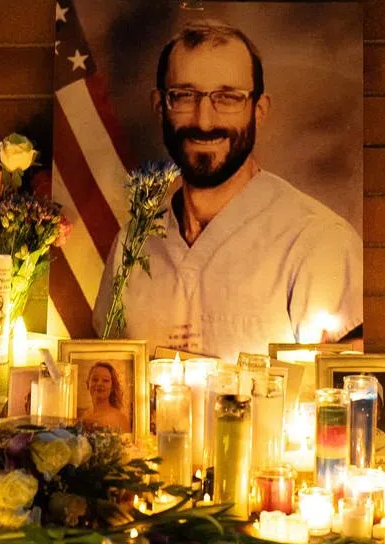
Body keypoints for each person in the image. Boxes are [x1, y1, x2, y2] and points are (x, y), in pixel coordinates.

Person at [92, 21, 362, 360]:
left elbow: (350, 395)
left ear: (259, 110)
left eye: (228, 98)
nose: (204, 121)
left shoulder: (318, 243)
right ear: (160, 106)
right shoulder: (132, 244)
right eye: (185, 96)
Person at [79, 361, 128, 432]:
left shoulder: (120, 420)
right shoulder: (85, 415)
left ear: (112, 387)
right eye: (95, 379)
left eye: (105, 380)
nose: (99, 383)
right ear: (88, 384)